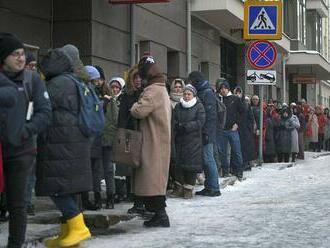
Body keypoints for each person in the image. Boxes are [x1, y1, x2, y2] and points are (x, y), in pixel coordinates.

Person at [0, 32, 51, 248]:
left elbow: (45, 113)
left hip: (22, 152)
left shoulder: (33, 81)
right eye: (15, 54)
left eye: (22, 53)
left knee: (17, 204)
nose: (21, 58)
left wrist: (25, 130)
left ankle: (15, 244)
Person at [37, 48, 91, 247]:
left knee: (57, 188)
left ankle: (78, 228)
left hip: (60, 144)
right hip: (72, 143)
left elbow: (40, 107)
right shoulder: (74, 80)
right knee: (66, 188)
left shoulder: (57, 84)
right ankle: (68, 232)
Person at [130, 54, 171, 227]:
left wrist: (133, 105)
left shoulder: (153, 90)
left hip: (153, 141)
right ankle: (158, 213)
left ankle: (160, 215)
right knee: (155, 178)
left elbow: (139, 111)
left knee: (152, 178)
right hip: (159, 140)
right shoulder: (161, 88)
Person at [117, 65, 146, 214]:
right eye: (135, 78)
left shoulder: (145, 94)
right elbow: (122, 117)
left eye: (140, 78)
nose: (138, 80)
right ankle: (135, 199)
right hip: (131, 135)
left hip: (145, 136)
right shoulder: (127, 95)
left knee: (143, 170)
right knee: (133, 169)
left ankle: (142, 200)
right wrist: (121, 135)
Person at [187, 71, 221, 197]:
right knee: (206, 159)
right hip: (205, 131)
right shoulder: (203, 91)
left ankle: (214, 188)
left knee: (208, 159)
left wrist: (206, 133)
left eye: (191, 80)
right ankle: (209, 186)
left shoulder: (207, 93)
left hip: (207, 132)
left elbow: (211, 116)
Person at [172, 84, 205, 199]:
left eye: (189, 94)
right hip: (180, 140)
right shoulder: (178, 106)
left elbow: (200, 122)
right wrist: (178, 127)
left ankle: (188, 189)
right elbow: (174, 121)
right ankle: (179, 188)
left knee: (191, 166)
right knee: (179, 165)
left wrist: (186, 126)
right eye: (185, 94)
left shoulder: (199, 106)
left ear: (193, 95)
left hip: (193, 141)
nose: (186, 96)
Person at [81, 65, 104, 210]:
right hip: (89, 135)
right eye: (95, 80)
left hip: (94, 135)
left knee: (92, 170)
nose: (97, 83)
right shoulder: (86, 91)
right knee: (86, 170)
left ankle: (89, 199)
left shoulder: (91, 92)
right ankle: (85, 200)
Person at [216, 79, 245, 180]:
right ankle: (225, 172)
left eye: (225, 88)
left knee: (237, 151)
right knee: (222, 152)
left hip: (233, 130)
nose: (223, 90)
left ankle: (239, 172)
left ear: (228, 89)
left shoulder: (235, 99)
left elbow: (243, 112)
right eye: (221, 88)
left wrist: (237, 123)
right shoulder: (217, 99)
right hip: (221, 130)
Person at [234, 86, 255, 171]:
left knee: (245, 148)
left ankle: (246, 164)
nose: (238, 94)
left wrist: (249, 128)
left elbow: (251, 117)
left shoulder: (246, 104)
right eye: (236, 92)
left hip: (245, 130)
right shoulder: (232, 102)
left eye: (239, 92)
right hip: (236, 128)